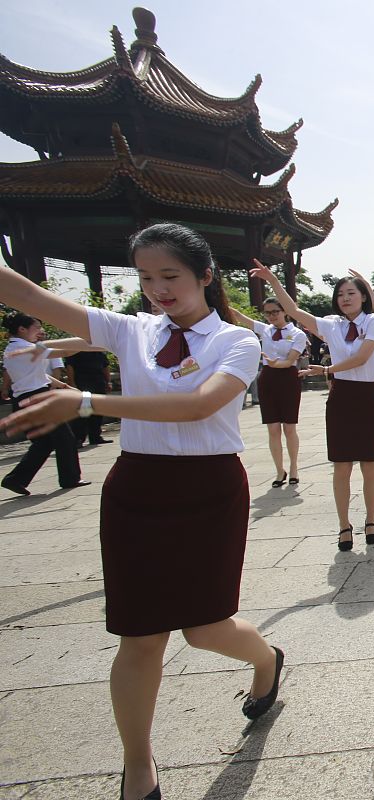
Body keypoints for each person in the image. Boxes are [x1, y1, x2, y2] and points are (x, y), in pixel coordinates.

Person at [0, 223, 283, 800]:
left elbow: (199, 406)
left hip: (208, 490)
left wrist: (83, 401)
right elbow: (27, 295)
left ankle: (268, 661)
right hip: (137, 488)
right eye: (146, 277)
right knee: (142, 635)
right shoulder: (130, 330)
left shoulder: (237, 341)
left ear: (205, 275)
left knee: (204, 630)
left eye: (170, 276)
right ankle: (139, 768)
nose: (157, 288)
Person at [251, 265, 374, 551]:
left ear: (363, 296)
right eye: (340, 294)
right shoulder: (330, 324)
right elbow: (295, 311)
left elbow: (362, 358)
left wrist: (327, 369)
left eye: (351, 293)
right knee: (341, 465)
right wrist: (273, 280)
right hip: (341, 398)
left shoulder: (372, 322)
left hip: (368, 397)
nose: (345, 298)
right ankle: (344, 526)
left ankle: (371, 520)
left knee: (369, 463)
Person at [1, 313, 86, 495]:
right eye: (36, 327)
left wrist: (63, 385)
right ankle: (70, 479)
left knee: (45, 442)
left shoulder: (13, 349)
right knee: (65, 438)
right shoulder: (26, 349)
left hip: (28, 398)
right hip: (36, 398)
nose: (40, 331)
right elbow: (64, 352)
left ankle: (15, 479)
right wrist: (87, 341)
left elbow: (35, 374)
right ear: (22, 329)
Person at [229, 298, 307, 487]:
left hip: (288, 377)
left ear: (284, 312)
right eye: (268, 313)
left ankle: (294, 467)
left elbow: (290, 361)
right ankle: (280, 470)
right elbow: (239, 317)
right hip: (268, 378)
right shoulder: (265, 330)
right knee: (272, 428)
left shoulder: (297, 334)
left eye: (275, 312)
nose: (272, 316)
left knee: (289, 427)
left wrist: (276, 363)